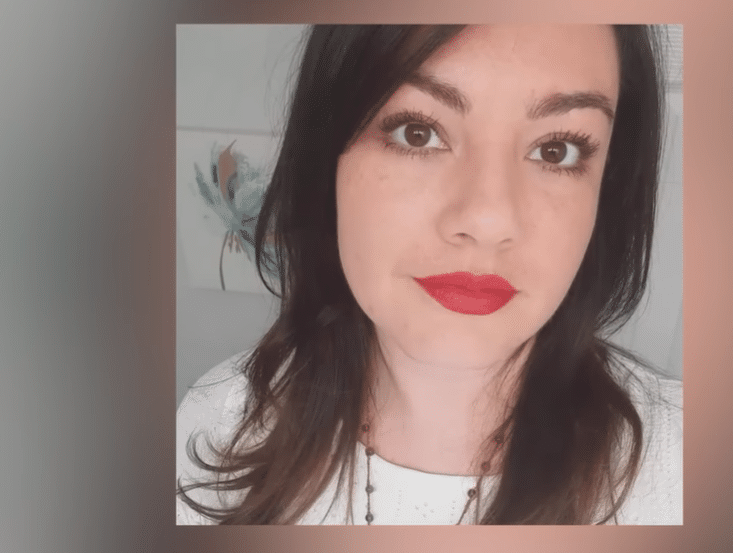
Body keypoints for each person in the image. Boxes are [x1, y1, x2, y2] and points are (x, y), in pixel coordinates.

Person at [177, 24, 681, 525]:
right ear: (327, 161)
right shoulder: (217, 425)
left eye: (557, 150)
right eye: (417, 132)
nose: (487, 220)